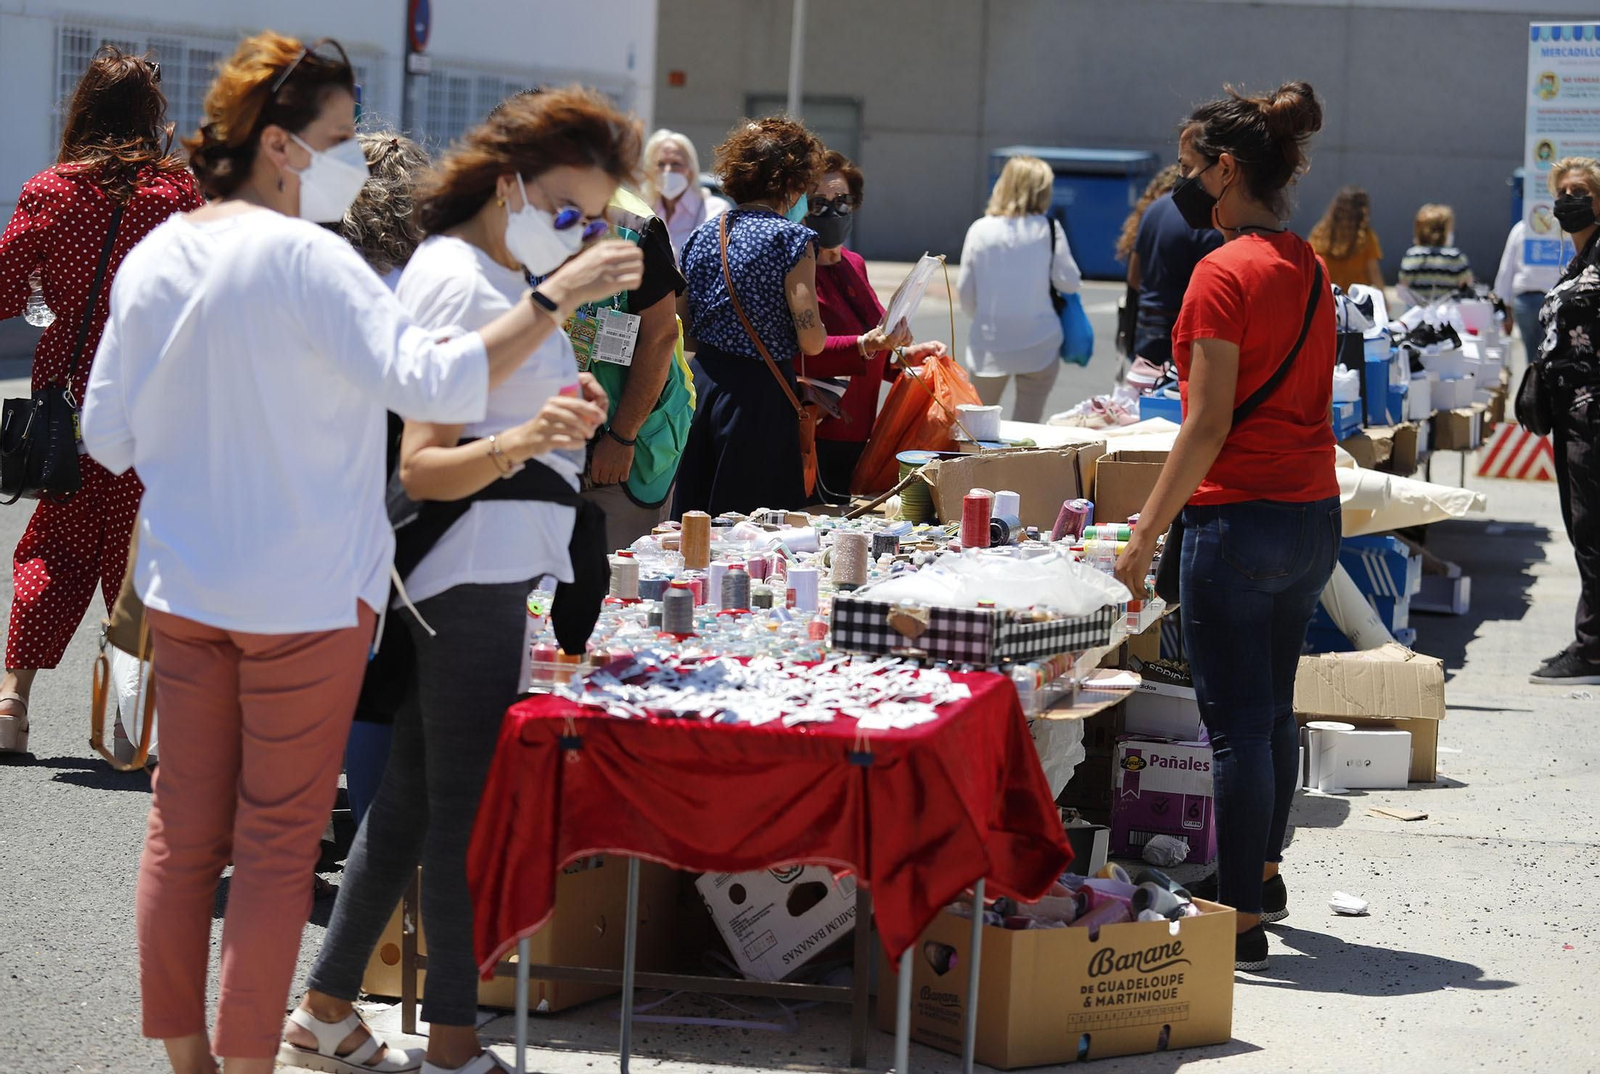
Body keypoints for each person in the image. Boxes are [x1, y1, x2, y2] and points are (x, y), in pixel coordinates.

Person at [79, 33, 640, 1074]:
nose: (359, 158)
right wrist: (553, 309)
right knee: (282, 845)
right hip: (306, 593)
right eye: (341, 137)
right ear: (284, 146)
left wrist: (206, 444)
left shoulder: (163, 252)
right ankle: (259, 1059)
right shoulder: (315, 261)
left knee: (185, 834)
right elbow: (426, 395)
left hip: (191, 580)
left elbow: (107, 437)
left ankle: (194, 1060)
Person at [283, 87, 639, 1074]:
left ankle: (324, 1012)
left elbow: (484, 423)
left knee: (410, 803)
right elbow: (423, 462)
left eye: (595, 218)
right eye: (567, 211)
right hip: (458, 578)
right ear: (508, 183)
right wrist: (532, 432)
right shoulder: (460, 278)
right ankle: (449, 1042)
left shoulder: (491, 272)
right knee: (458, 813)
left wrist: (557, 410)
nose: (580, 235)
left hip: (481, 576)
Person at [1113, 81, 1338, 972]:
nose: (1189, 178)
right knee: (1271, 709)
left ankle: (1239, 916)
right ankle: (1265, 872)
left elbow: (1203, 424)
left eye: (1197, 165)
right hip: (1309, 513)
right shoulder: (1310, 264)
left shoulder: (1221, 269)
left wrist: (1140, 539)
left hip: (1237, 520)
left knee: (1238, 725)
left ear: (1229, 168)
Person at [0, 46, 203, 755]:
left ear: (83, 106)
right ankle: (125, 724)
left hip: (66, 406)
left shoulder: (49, 190)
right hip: (153, 407)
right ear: (151, 116)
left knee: (52, 550)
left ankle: (11, 706)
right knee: (137, 562)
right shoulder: (178, 197)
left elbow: (3, 288)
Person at [331, 130, 433, 828]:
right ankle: (376, 846)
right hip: (403, 482)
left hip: (324, 481)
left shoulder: (319, 264)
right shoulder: (428, 277)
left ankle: (294, 831)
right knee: (384, 671)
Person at [673, 117, 827, 516]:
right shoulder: (793, 239)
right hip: (759, 397)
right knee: (754, 532)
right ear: (791, 182)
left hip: (702, 389)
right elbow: (811, 338)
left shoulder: (704, 234)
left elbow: (683, 330)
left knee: (696, 523)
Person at [804, 151, 945, 496]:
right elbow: (804, 353)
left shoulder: (854, 263)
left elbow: (872, 346)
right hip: (819, 428)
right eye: (818, 202)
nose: (832, 211)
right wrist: (870, 344)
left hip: (863, 429)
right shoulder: (798, 269)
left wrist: (905, 356)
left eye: (842, 201)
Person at [568, 185, 694, 551]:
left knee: (614, 578)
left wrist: (622, 437)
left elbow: (659, 337)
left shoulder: (633, 225)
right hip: (547, 442)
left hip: (627, 443)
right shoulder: (512, 213)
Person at [1528, 157, 1600, 686]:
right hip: (1570, 416)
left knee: (1592, 530)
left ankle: (1592, 649)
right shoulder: (1577, 263)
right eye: (1563, 191)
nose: (1569, 199)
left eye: (1581, 190)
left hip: (1592, 413)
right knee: (1583, 529)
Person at [956, 155, 1082, 423]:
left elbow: (965, 294)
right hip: (1040, 343)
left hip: (989, 345)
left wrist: (987, 316)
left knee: (977, 428)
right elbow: (1069, 281)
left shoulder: (980, 229)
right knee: (1028, 427)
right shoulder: (1049, 229)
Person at [1125, 165, 1222, 373]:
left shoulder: (1153, 209)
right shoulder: (1206, 219)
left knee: (1142, 394)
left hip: (1146, 321)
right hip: (1182, 326)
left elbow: (1134, 277)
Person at [643, 129, 733, 264]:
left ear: (691, 168)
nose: (668, 170)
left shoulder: (715, 210)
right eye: (661, 164)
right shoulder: (644, 210)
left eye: (676, 163)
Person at [1493, 219, 1559, 360]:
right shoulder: (1562, 229)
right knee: (1551, 355)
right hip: (1554, 300)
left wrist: (1504, 310)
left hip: (1526, 301)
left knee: (1533, 356)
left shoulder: (1520, 228)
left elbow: (1506, 270)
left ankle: (1534, 379)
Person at [1308, 186, 1385, 294]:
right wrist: (1383, 298)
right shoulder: (1365, 236)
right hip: (1356, 302)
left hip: (1328, 299)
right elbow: (1374, 271)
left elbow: (1311, 268)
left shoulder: (1320, 232)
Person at [1397, 204, 1472, 306]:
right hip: (1446, 316)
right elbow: (1467, 284)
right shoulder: (1456, 257)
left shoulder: (1412, 255)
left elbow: (1404, 284)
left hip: (1417, 315)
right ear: (1442, 232)